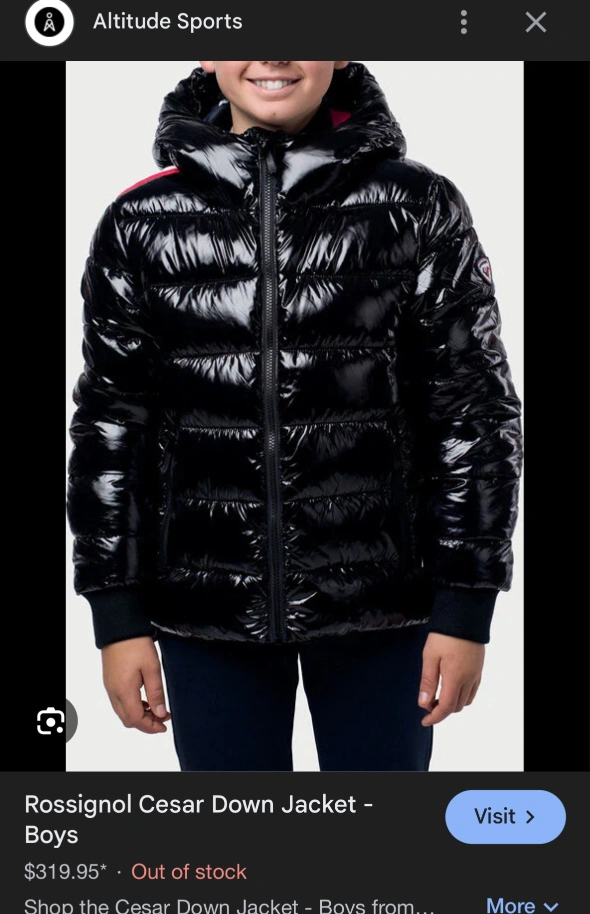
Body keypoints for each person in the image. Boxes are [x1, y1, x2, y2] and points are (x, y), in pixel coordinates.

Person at [66, 61, 523, 772]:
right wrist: (116, 616)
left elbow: (471, 409)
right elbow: (111, 425)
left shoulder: (416, 205)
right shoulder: (140, 221)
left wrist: (466, 605)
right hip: (206, 606)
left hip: (383, 605)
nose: (274, 53)